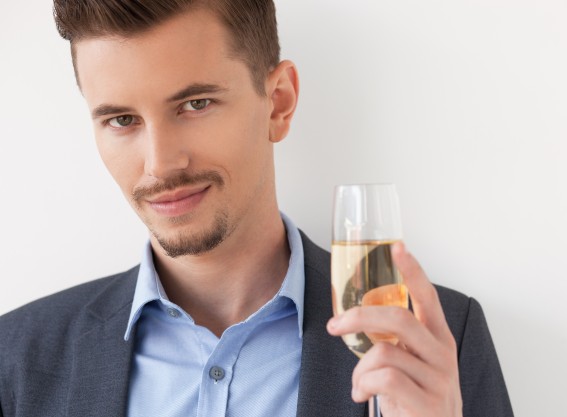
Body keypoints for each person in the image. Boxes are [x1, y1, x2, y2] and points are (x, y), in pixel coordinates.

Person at [0, 1, 513, 416]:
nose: (160, 164)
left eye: (195, 104)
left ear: (279, 101)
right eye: (121, 120)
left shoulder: (434, 336)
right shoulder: (17, 356)